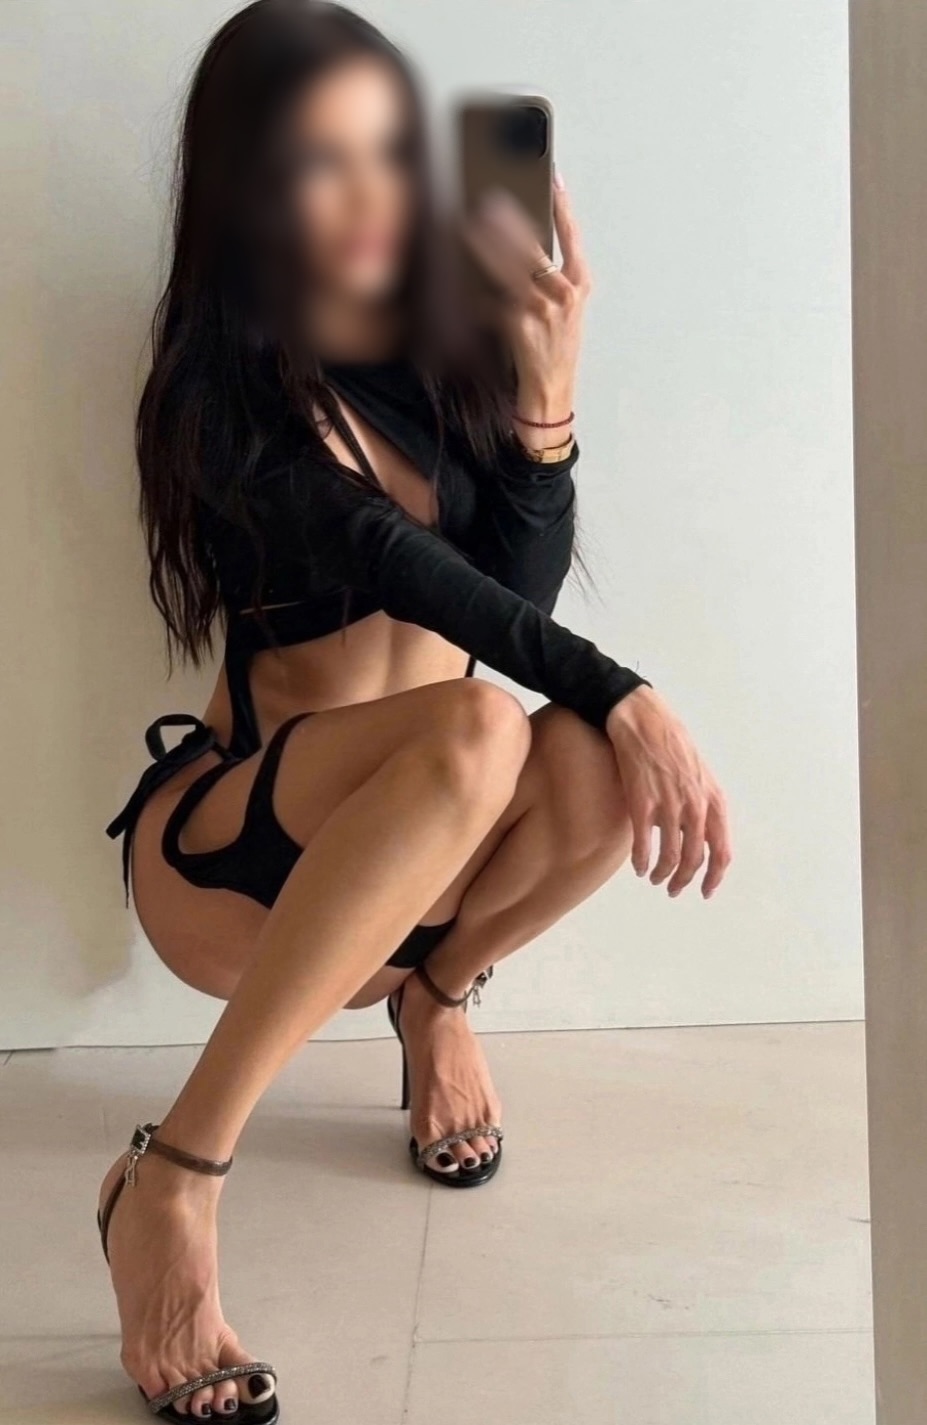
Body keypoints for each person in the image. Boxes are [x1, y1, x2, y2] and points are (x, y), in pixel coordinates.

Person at [99, 2, 732, 1419]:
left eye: (390, 153)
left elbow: (509, 598)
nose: (371, 195)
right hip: (241, 861)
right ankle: (173, 1179)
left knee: (575, 757)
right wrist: (629, 686)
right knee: (488, 724)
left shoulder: (439, 360)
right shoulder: (222, 406)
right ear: (248, 193)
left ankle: (438, 998)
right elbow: (412, 575)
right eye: (319, 164)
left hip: (422, 872)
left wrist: (546, 401)